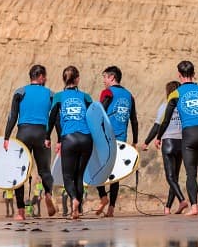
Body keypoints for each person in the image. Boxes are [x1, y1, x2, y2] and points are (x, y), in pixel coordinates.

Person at [154, 60, 198, 216]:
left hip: (189, 135)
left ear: (179, 75)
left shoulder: (175, 94)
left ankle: (194, 206)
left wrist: (158, 137)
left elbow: (166, 120)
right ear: (194, 75)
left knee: (190, 174)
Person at [3, 64, 57, 221]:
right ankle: (48, 194)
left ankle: (20, 212)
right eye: (45, 76)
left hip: (24, 133)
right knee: (45, 171)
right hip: (42, 133)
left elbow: (12, 116)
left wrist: (6, 137)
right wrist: (58, 139)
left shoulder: (20, 92)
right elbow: (55, 119)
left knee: (19, 172)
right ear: (40, 77)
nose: (46, 79)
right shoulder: (51, 94)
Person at [46, 66, 94, 220]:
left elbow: (52, 119)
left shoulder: (59, 97)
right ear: (78, 79)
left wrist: (47, 136)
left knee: (68, 176)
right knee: (79, 176)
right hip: (86, 138)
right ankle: (78, 210)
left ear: (63, 79)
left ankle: (73, 199)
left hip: (69, 138)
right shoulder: (86, 97)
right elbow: (95, 117)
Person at [93, 66, 139, 217]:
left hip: (105, 138)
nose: (104, 81)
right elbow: (134, 120)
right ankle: (111, 208)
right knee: (115, 175)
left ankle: (103, 197)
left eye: (105, 77)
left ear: (112, 77)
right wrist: (135, 141)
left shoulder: (108, 92)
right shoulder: (129, 96)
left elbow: (100, 113)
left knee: (96, 167)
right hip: (121, 140)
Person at [143, 81, 188, 215]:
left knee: (170, 177)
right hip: (182, 142)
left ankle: (181, 200)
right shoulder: (184, 107)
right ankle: (168, 207)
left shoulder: (165, 106)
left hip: (168, 142)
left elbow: (158, 126)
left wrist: (147, 141)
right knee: (174, 177)